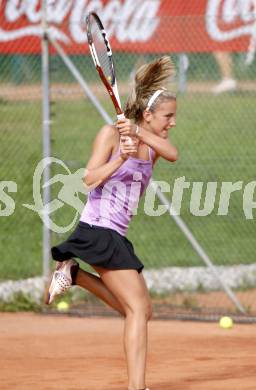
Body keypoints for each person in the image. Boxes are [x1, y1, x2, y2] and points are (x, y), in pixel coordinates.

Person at [45, 56, 178, 390]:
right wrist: (120, 155)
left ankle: (73, 274)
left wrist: (137, 135)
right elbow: (87, 180)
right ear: (148, 114)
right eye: (168, 116)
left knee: (140, 310)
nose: (172, 122)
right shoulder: (109, 134)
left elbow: (173, 152)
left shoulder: (151, 148)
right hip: (97, 229)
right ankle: (136, 387)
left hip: (114, 234)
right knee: (137, 310)